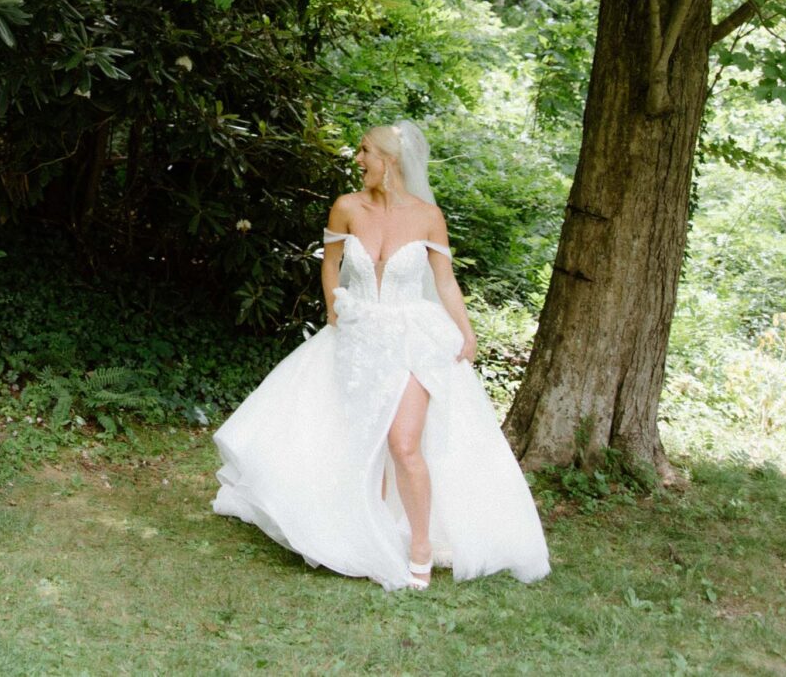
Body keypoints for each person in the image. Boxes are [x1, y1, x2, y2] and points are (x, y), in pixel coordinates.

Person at [212, 121, 551, 589]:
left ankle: (420, 546)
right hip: (357, 335)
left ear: (389, 160)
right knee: (355, 436)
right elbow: (330, 264)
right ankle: (366, 525)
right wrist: (335, 306)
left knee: (403, 442)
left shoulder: (428, 216)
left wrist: (466, 331)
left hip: (413, 337)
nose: (357, 159)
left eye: (365, 151)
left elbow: (445, 280)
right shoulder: (346, 207)